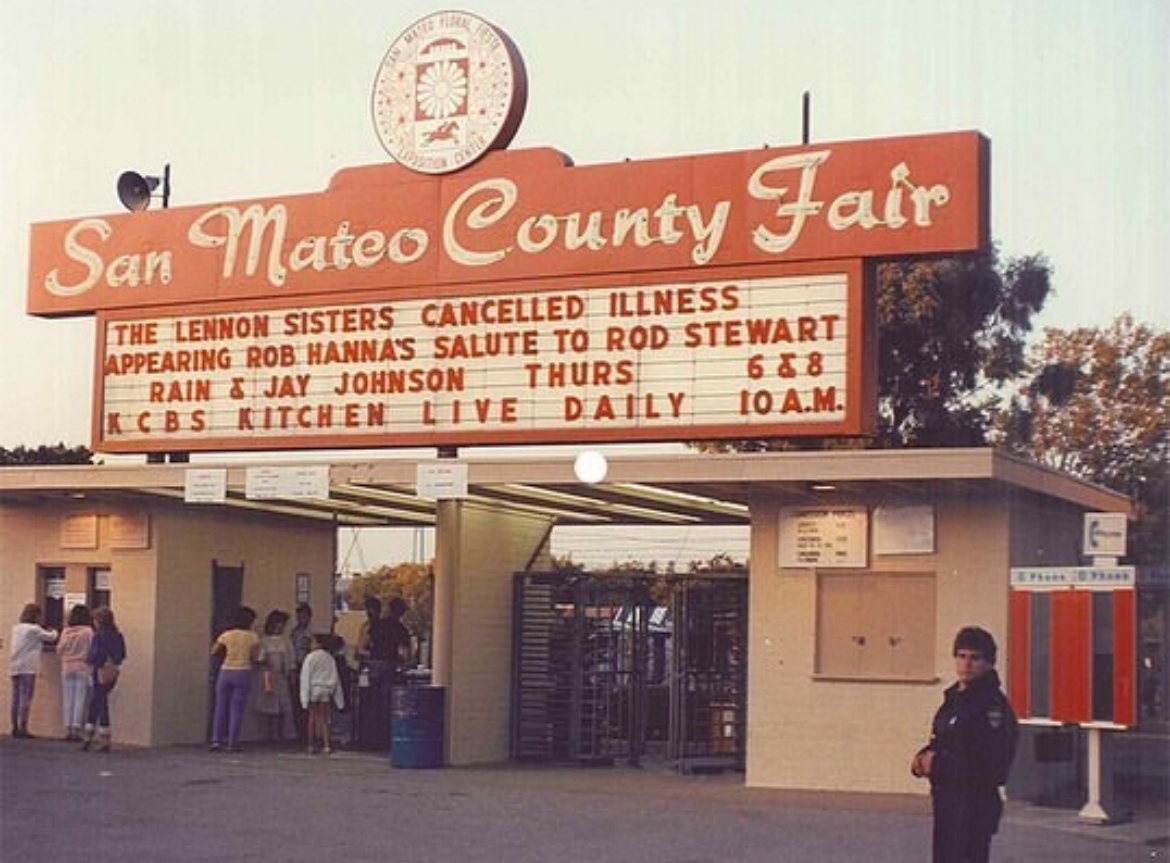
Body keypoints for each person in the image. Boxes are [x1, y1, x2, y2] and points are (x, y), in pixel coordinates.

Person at [911, 626, 1018, 863]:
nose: (966, 664)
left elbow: (992, 765)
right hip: (947, 801)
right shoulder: (954, 700)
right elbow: (941, 740)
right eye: (961, 656)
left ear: (989, 663)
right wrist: (922, 758)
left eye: (975, 658)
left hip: (973, 805)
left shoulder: (992, 707)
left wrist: (937, 764)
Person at [209, 606, 259, 753]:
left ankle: (216, 740)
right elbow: (254, 657)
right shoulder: (252, 636)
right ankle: (232, 743)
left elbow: (214, 651)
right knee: (236, 709)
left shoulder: (227, 635)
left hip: (225, 671)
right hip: (243, 672)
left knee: (220, 707)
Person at [8, 603, 59, 738]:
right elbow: (51, 637)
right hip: (28, 667)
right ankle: (23, 726)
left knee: (16, 697)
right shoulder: (34, 629)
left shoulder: (16, 628)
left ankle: (14, 726)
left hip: (14, 665)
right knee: (26, 697)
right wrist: (54, 629)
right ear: (36, 615)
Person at [82, 606, 127, 752]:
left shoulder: (98, 636)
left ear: (99, 621)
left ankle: (99, 737)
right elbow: (121, 655)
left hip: (99, 671)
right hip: (112, 672)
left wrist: (91, 660)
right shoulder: (117, 635)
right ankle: (92, 736)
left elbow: (93, 655)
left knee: (99, 703)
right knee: (98, 701)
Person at [254, 609, 296, 742]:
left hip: (281, 676)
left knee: (283, 705)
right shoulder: (263, 640)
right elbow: (259, 658)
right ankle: (268, 734)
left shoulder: (286, 641)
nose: (279, 628)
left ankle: (282, 733)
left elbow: (290, 659)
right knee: (269, 704)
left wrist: (290, 673)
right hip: (267, 675)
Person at [300, 632, 345, 755]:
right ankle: (326, 745)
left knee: (312, 717)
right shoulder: (329, 658)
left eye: (312, 642)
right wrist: (338, 698)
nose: (310, 644)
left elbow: (305, 677)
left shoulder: (310, 657)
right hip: (326, 689)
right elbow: (335, 677)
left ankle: (310, 745)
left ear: (318, 644)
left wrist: (304, 698)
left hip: (314, 689)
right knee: (325, 719)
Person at [57, 604, 94, 741]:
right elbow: (92, 649)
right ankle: (76, 730)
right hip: (83, 667)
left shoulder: (66, 631)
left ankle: (67, 729)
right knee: (80, 699)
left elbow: (59, 650)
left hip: (66, 666)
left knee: (67, 699)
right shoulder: (88, 631)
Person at [289, 603, 313, 742]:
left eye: (303, 616)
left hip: (306, 665)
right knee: (296, 701)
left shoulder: (310, 634)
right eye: (299, 617)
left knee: (307, 701)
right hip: (297, 665)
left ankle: (306, 733)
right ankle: (298, 732)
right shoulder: (294, 632)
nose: (301, 619)